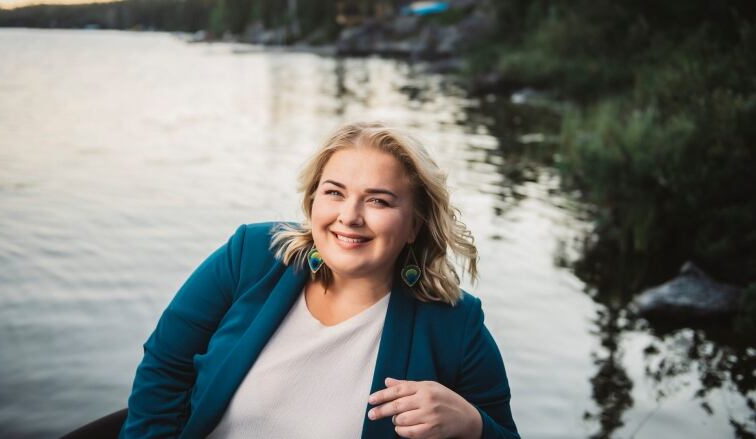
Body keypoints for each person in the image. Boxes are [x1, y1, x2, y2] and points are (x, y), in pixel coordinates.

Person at [119, 122, 520, 439]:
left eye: (378, 200)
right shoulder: (252, 255)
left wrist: (473, 426)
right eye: (334, 193)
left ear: (414, 224)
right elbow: (164, 369)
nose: (350, 216)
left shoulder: (455, 325)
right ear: (313, 202)